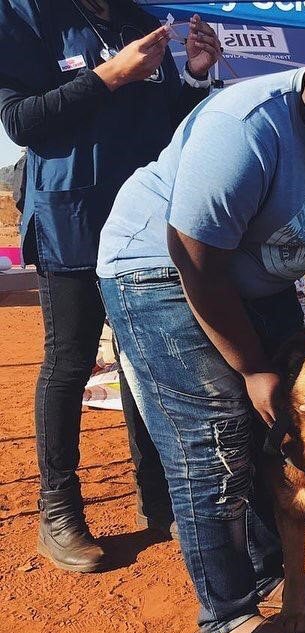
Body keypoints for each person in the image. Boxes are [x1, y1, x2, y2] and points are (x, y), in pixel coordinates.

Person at [96, 14, 305, 633]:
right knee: (217, 437)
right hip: (157, 268)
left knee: (279, 431)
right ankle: (227, 615)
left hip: (255, 277)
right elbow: (193, 259)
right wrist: (252, 370)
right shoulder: (246, 128)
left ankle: (271, 570)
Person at [0, 0, 221, 572]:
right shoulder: (29, 15)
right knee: (70, 361)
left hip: (144, 226)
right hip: (71, 217)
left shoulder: (141, 19)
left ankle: (159, 496)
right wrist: (109, 77)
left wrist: (195, 74)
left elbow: (173, 126)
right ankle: (60, 509)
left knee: (144, 361)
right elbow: (20, 120)